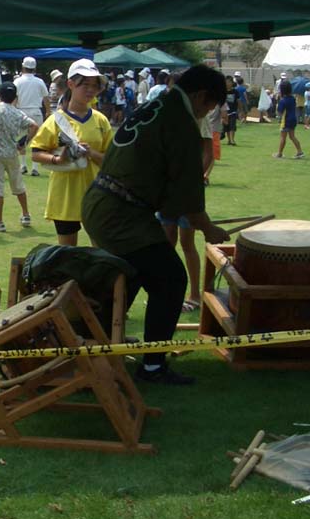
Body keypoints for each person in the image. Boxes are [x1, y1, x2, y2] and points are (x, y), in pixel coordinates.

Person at [82, 65, 231, 385]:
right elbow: (188, 197)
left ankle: (101, 343)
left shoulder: (158, 104)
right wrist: (210, 229)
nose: (207, 113)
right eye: (210, 106)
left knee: (135, 272)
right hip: (120, 214)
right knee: (171, 278)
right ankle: (152, 367)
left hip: (105, 203)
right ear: (201, 96)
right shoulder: (180, 121)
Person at [30, 59, 113, 246]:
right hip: (64, 197)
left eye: (94, 86)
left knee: (101, 252)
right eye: (85, 85)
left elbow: (112, 160)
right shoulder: (55, 121)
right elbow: (36, 153)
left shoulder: (101, 121)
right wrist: (58, 159)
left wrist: (92, 154)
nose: (90, 90)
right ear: (71, 84)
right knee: (67, 255)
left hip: (95, 195)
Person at [0, 82, 37, 232]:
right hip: (12, 152)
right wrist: (25, 142)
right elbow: (34, 126)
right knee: (18, 184)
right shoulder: (17, 112)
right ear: (15, 97)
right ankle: (25, 214)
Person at [14, 56, 49, 176]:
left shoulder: (17, 81)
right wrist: (48, 112)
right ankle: (35, 168)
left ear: (23, 67)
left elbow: (15, 98)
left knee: (23, 138)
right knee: (35, 139)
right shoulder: (39, 81)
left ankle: (23, 165)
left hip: (21, 111)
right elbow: (46, 98)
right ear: (34, 68)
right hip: (36, 111)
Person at [273, 80, 304, 159]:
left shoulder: (283, 101)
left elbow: (279, 113)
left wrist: (278, 105)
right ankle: (300, 151)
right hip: (293, 119)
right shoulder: (292, 99)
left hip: (286, 120)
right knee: (292, 136)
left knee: (283, 137)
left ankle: (279, 153)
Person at [224, 76, 239, 145]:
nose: (228, 83)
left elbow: (238, 101)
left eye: (229, 82)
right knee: (227, 126)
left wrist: (239, 110)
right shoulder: (223, 91)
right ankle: (229, 140)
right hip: (225, 112)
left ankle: (232, 140)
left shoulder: (235, 91)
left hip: (233, 111)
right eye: (226, 82)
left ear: (232, 83)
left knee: (232, 126)